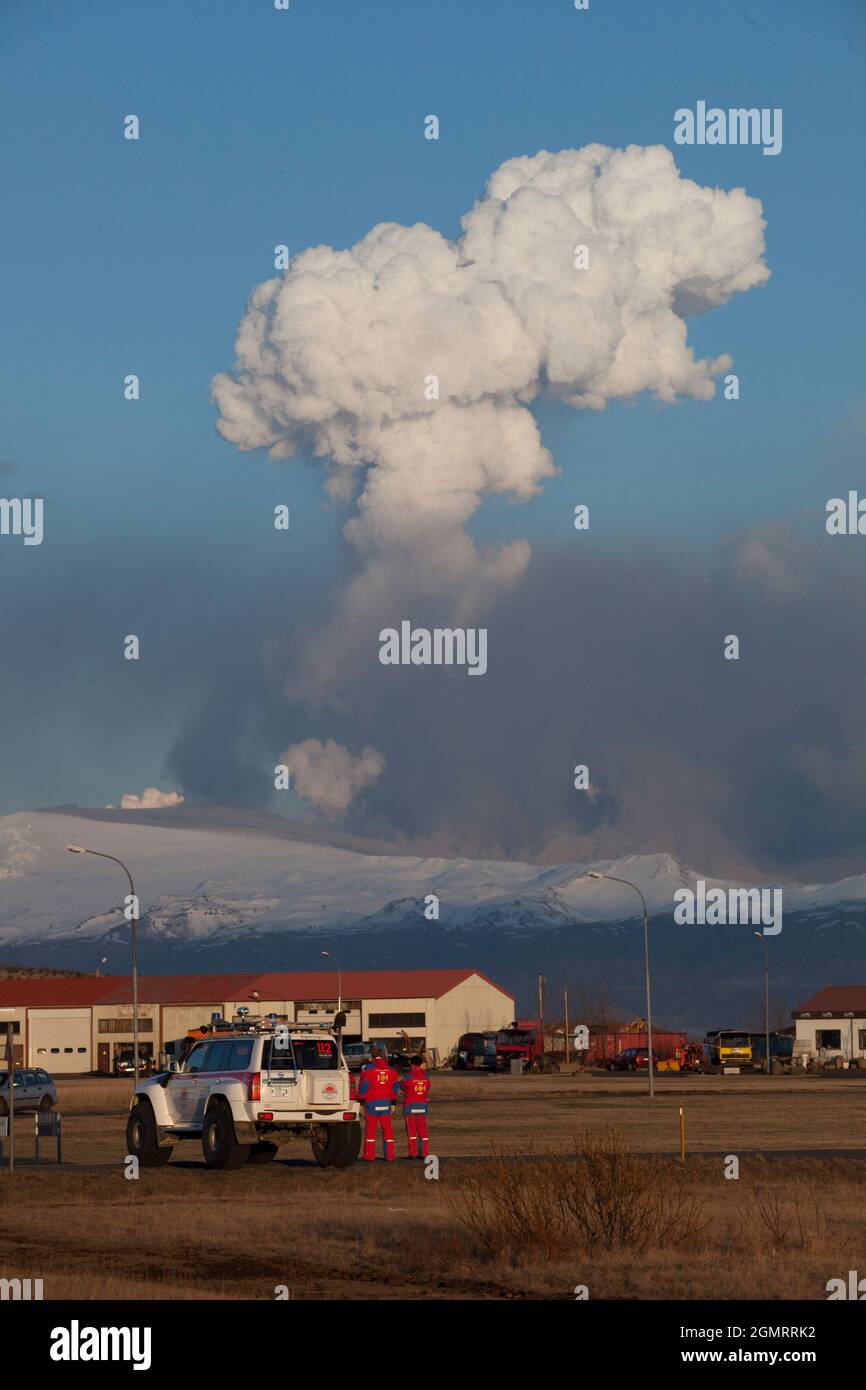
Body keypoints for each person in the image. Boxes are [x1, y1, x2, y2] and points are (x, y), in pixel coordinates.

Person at [357, 1046, 400, 1162]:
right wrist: (393, 1103)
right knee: (387, 1129)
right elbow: (395, 1088)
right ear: (383, 1055)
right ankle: (390, 1155)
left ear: (372, 1056)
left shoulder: (368, 1070)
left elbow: (363, 1087)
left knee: (370, 1130)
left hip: (371, 1103)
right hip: (386, 1103)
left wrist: (360, 1102)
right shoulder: (391, 1070)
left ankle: (369, 1155)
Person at [400, 1054, 430, 1159]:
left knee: (411, 1131)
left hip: (410, 1106)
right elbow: (427, 1088)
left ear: (411, 1064)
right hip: (422, 1105)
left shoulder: (408, 1076)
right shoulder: (426, 1076)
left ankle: (413, 1153)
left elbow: (403, 1086)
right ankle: (424, 1152)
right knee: (422, 1130)